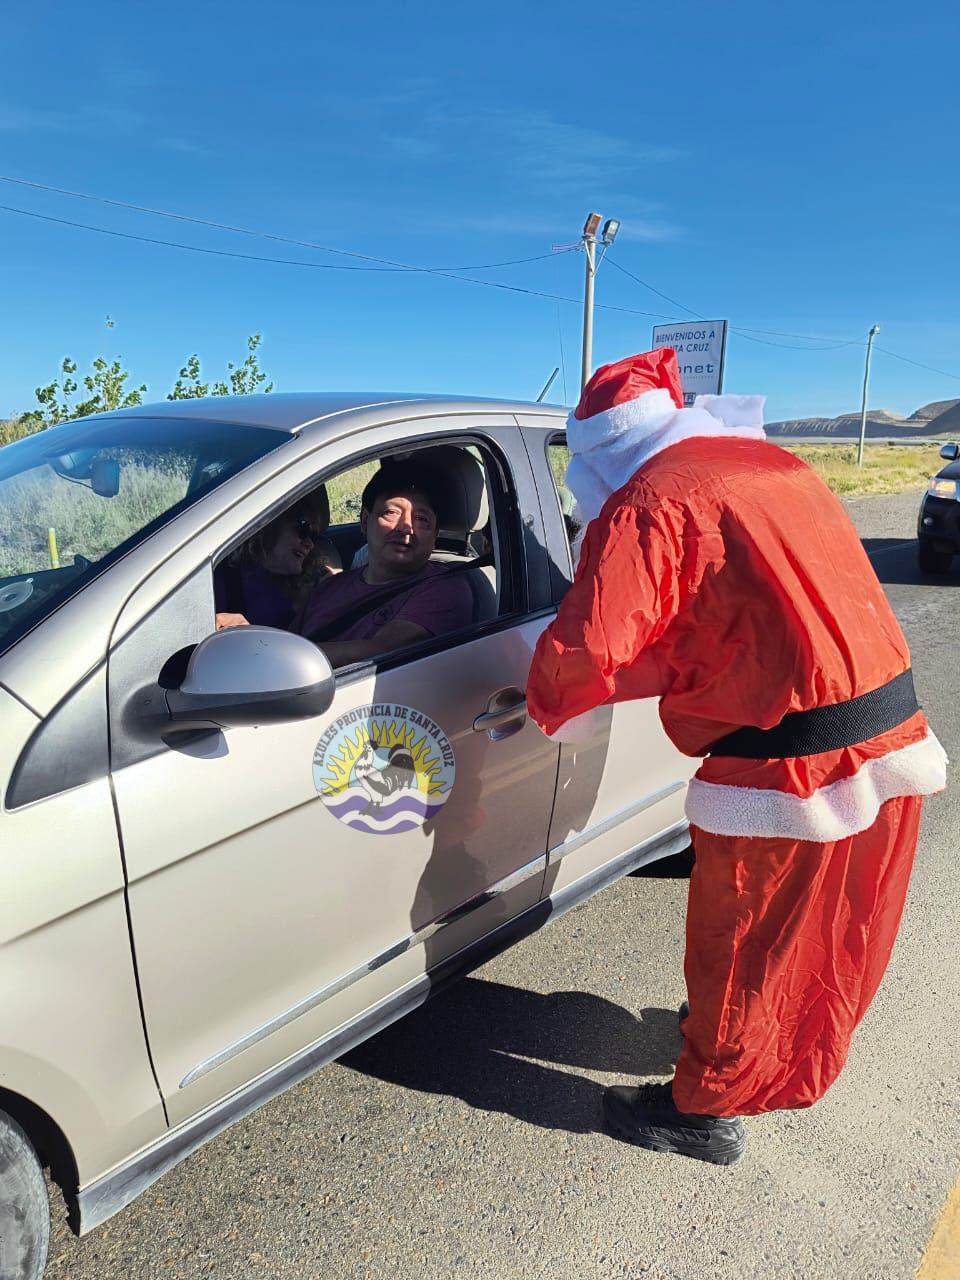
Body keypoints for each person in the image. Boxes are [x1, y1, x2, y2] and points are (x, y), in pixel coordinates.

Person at [526, 347, 947, 1165]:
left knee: (744, 932)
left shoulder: (650, 502)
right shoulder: (770, 464)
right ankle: (780, 1052)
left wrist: (542, 698)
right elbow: (743, 602)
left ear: (603, 448)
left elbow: (587, 650)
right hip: (889, 727)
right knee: (832, 931)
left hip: (790, 765)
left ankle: (705, 1110)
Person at [291, 460, 474, 666]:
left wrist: (286, 658)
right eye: (391, 512)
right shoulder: (329, 587)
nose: (405, 527)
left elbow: (382, 651)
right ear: (364, 521)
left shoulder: (444, 589)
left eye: (421, 519)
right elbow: (289, 640)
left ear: (435, 534)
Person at [214, 494, 341, 631]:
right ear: (271, 522)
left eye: (314, 537)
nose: (309, 544)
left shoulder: (316, 583)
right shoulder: (219, 575)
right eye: (303, 530)